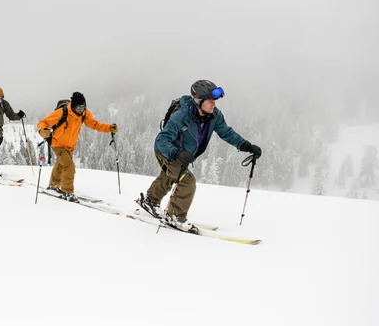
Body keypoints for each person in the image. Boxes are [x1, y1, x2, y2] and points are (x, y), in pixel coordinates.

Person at [138, 80, 262, 233]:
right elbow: (161, 140)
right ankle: (175, 217)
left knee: (171, 174)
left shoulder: (214, 116)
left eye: (214, 101)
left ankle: (151, 200)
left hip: (184, 155)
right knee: (186, 181)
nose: (214, 105)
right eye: (210, 101)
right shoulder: (182, 115)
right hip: (167, 151)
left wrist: (246, 146)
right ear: (198, 101)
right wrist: (176, 153)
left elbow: (227, 133)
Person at [37, 92, 118, 202]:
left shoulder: (84, 114)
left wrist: (109, 128)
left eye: (84, 107)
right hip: (58, 144)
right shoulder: (63, 112)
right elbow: (44, 122)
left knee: (60, 166)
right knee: (69, 167)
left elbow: (95, 124)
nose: (81, 109)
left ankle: (53, 185)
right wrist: (42, 130)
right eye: (79, 107)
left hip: (70, 146)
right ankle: (67, 192)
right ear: (74, 106)